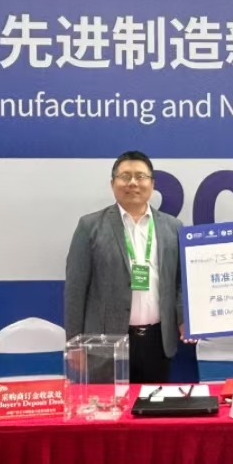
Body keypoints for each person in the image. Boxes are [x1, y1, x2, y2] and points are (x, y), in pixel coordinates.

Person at [64, 150, 191, 384]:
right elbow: (75, 289)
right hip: (106, 345)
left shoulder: (173, 227)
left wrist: (184, 319)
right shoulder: (90, 226)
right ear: (113, 183)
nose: (133, 182)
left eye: (140, 176)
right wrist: (74, 343)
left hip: (158, 342)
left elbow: (180, 282)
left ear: (152, 184)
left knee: (152, 405)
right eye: (125, 176)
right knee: (109, 406)